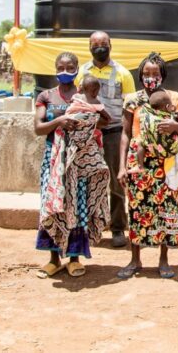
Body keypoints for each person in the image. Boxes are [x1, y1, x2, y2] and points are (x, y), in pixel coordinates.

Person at [33, 52, 108, 278]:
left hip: (79, 160)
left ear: (77, 68)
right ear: (55, 68)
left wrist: (86, 121)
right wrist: (59, 121)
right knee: (53, 204)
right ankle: (53, 259)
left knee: (77, 206)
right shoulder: (46, 96)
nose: (65, 71)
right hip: (54, 159)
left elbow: (104, 120)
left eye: (69, 67)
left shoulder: (85, 93)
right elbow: (38, 128)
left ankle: (74, 258)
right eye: (60, 67)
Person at [116, 52, 178, 279]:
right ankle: (135, 259)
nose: (150, 77)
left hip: (166, 162)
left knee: (167, 208)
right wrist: (121, 166)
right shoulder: (132, 99)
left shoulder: (173, 97)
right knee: (137, 209)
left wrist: (174, 126)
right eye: (146, 73)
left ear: (162, 74)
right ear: (140, 75)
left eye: (155, 73)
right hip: (139, 161)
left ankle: (163, 259)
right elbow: (125, 134)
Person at [76, 31, 135, 248]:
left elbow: (130, 107)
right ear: (89, 47)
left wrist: (129, 134)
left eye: (103, 44)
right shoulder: (82, 72)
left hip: (114, 133)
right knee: (88, 181)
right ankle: (90, 227)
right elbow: (77, 100)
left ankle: (118, 228)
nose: (99, 47)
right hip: (89, 134)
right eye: (95, 44)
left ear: (110, 45)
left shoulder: (123, 73)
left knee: (116, 183)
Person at [128, 90, 178, 173]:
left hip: (151, 148)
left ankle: (140, 166)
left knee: (140, 143)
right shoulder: (169, 117)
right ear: (167, 106)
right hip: (170, 150)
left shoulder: (147, 114)